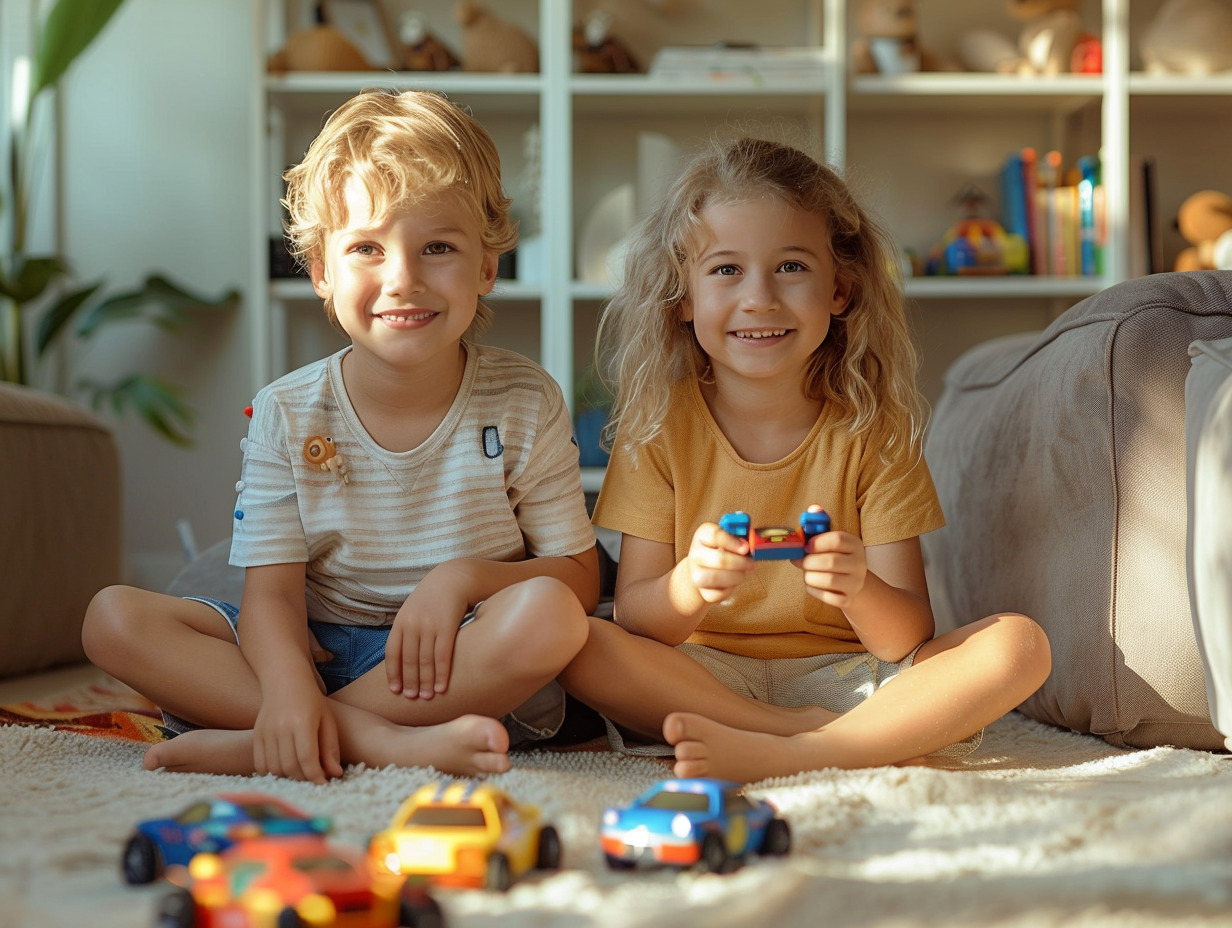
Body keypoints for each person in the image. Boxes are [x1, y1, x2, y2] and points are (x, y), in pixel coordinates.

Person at [82, 89, 600, 783]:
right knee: (112, 618)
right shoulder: (286, 410)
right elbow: (271, 598)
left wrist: (461, 580)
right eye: (366, 249)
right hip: (315, 649)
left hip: (459, 658)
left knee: (553, 620)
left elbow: (578, 575)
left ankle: (279, 737)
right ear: (322, 272)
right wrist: (291, 684)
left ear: (486, 266)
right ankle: (369, 740)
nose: (403, 280)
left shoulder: (526, 398)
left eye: (437, 247)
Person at [558, 136, 1050, 783]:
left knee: (1020, 644)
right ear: (683, 298)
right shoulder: (657, 428)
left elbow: (904, 637)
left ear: (840, 290)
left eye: (790, 267)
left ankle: (807, 752)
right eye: (726, 270)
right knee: (579, 638)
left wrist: (858, 587)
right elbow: (637, 618)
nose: (759, 298)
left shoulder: (877, 428)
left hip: (850, 679)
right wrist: (688, 587)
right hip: (703, 677)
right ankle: (797, 737)